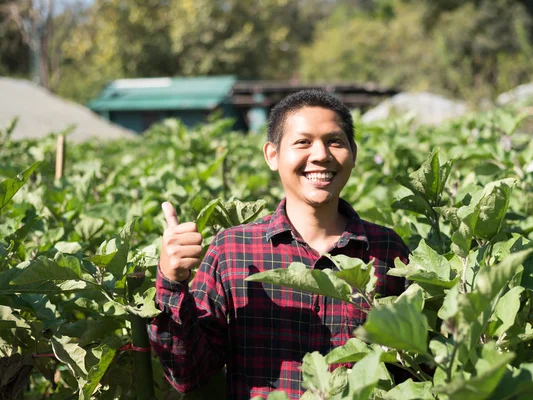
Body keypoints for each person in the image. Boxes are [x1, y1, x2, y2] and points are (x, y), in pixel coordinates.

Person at [149, 89, 410, 399]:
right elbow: (188, 373)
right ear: (272, 155)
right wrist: (171, 281)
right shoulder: (233, 250)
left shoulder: (385, 248)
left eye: (335, 141)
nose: (321, 154)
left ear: (352, 152)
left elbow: (410, 368)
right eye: (303, 142)